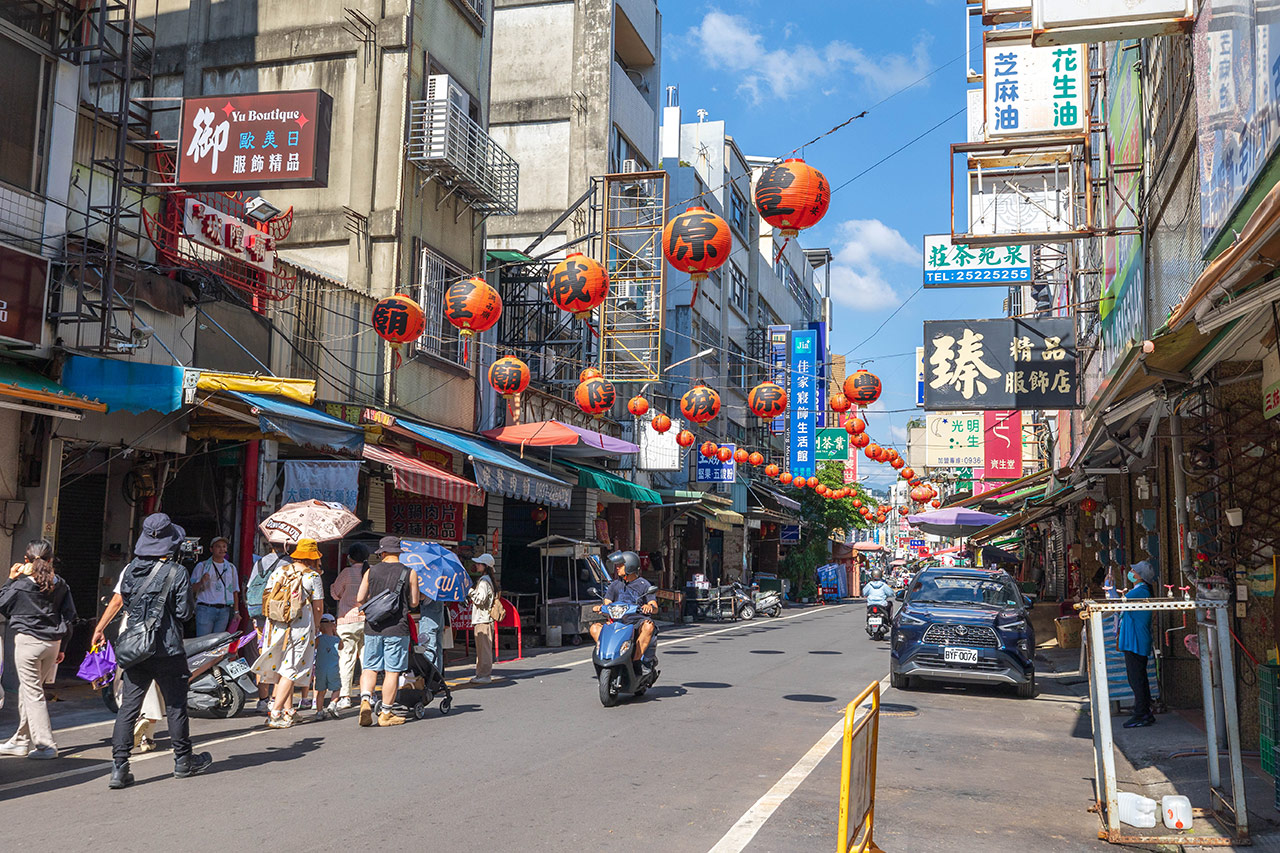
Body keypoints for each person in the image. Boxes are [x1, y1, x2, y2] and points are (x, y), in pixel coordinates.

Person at [106, 513, 212, 789]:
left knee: (129, 707)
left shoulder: (129, 570)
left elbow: (129, 605)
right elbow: (184, 613)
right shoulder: (177, 572)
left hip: (137, 649)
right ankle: (182, 761)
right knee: (176, 706)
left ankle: (119, 768)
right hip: (168, 649)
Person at [0, 540, 76, 759]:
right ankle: (20, 740)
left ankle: (45, 745)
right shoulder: (60, 584)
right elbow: (69, 617)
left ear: (26, 561)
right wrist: (64, 646)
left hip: (28, 644)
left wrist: (11, 578)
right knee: (28, 691)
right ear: (51, 560)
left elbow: (2, 604)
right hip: (52, 644)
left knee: (32, 694)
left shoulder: (21, 585)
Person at [253, 539, 325, 729]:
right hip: (300, 627)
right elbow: (318, 608)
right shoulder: (312, 577)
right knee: (291, 669)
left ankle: (288, 710)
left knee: (282, 665)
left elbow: (267, 596)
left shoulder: (280, 571)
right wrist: (316, 627)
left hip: (277, 625)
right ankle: (275, 713)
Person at [93, 573, 166, 753]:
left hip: (132, 629)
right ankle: (148, 737)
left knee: (126, 680)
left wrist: (100, 628)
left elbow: (117, 601)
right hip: (161, 628)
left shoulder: (131, 569)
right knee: (155, 680)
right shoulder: (172, 569)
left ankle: (139, 718)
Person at [355, 536, 420, 726]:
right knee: (392, 672)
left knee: (370, 667)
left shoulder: (371, 571)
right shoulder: (410, 572)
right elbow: (414, 602)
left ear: (382, 553)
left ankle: (366, 701)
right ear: (398, 553)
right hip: (397, 628)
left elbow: (360, 597)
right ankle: (385, 713)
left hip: (373, 627)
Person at [589, 551, 657, 666]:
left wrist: (649, 607)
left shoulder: (644, 584)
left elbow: (654, 606)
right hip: (618, 622)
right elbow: (607, 603)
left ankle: (636, 662)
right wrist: (601, 608)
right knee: (594, 628)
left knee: (649, 626)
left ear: (630, 566)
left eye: (620, 565)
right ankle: (608, 655)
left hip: (636, 623)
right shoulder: (615, 585)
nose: (617, 568)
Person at [245, 542, 290, 714]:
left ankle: (262, 701)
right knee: (281, 656)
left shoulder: (260, 563)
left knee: (263, 653)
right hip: (279, 614)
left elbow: (250, 587)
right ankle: (274, 700)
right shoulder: (289, 564)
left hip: (259, 614)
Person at [329, 543, 369, 710]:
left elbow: (335, 594)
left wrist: (332, 586)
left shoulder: (346, 572)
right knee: (367, 659)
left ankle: (345, 696)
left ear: (350, 557)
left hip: (347, 621)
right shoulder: (370, 571)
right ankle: (368, 695)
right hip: (367, 620)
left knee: (346, 659)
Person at [1118, 560, 1157, 728]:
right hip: (1136, 640)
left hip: (1136, 641)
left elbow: (1118, 603)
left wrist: (1110, 586)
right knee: (1139, 677)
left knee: (1137, 679)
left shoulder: (1140, 591)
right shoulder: (1141, 590)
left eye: (1133, 571)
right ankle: (1144, 712)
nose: (1131, 572)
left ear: (1140, 576)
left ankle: (1141, 713)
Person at [190, 536, 240, 636]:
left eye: (224, 546)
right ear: (211, 549)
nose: (222, 549)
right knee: (203, 643)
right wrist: (201, 582)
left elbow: (234, 591)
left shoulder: (231, 568)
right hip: (205, 609)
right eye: (218, 546)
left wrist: (236, 612)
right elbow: (191, 589)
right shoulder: (202, 566)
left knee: (217, 645)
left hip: (224, 611)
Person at [467, 554, 498, 684]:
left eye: (479, 563)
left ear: (485, 566)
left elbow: (480, 599)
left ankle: (484, 674)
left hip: (482, 619)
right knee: (482, 649)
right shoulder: (487, 580)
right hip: (483, 619)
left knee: (483, 649)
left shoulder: (484, 581)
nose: (477, 565)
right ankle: (481, 674)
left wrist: (470, 592)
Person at [313, 614, 343, 720]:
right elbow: (341, 647)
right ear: (333, 625)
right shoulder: (336, 640)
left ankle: (319, 711)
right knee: (336, 688)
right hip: (333, 669)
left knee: (321, 691)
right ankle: (332, 704)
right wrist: (336, 633)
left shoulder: (319, 639)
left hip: (320, 669)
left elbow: (313, 648)